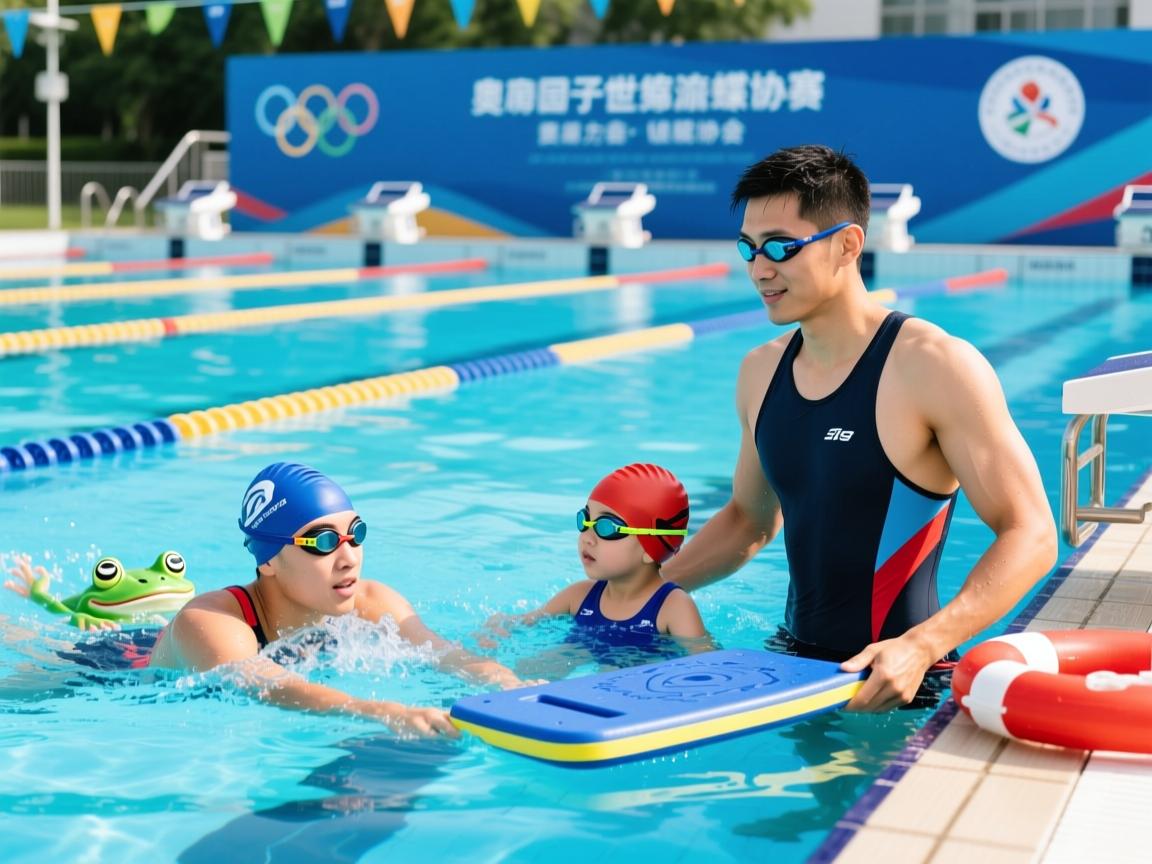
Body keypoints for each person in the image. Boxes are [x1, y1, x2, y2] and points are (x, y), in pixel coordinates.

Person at [660, 144, 1057, 712]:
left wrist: (922, 646)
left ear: (847, 244)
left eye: (780, 246)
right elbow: (748, 519)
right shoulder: (760, 371)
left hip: (901, 682)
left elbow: (1032, 533)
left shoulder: (933, 365)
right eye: (748, 248)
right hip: (791, 663)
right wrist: (650, 589)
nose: (759, 269)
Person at [149, 461, 526, 736]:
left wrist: (510, 685)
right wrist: (381, 711)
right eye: (323, 542)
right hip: (115, 666)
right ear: (269, 561)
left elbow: (446, 654)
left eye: (355, 534)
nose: (349, 559)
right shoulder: (212, 623)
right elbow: (273, 685)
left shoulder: (371, 600)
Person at [490, 463, 706, 651]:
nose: (587, 538)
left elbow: (705, 665)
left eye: (606, 526)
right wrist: (498, 627)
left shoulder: (673, 608)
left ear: (650, 549)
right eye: (585, 520)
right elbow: (522, 624)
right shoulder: (578, 597)